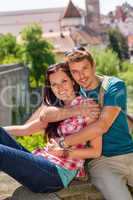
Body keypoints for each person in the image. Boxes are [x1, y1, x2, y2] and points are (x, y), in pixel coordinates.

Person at [40, 48, 133, 200]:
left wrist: (62, 143)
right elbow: (44, 115)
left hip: (129, 153)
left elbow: (102, 126)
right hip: (101, 162)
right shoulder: (73, 93)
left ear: (93, 66)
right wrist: (74, 110)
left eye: (85, 68)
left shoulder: (113, 86)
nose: (81, 76)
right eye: (75, 72)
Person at [0, 62, 101, 193]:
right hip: (42, 161)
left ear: (73, 82)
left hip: (57, 173)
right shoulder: (56, 109)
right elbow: (26, 129)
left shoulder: (88, 107)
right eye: (54, 84)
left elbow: (95, 151)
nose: (60, 88)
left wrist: (64, 152)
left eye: (64, 81)